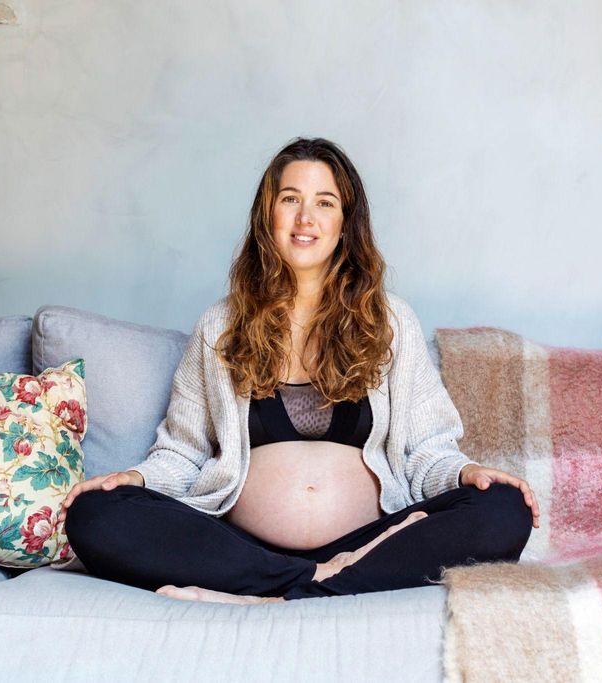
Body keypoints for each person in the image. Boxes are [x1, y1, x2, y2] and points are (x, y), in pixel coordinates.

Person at [58, 137, 539, 604]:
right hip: (240, 544)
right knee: (94, 514)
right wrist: (137, 481)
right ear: (267, 214)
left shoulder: (390, 322)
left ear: (346, 223)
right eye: (290, 198)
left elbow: (426, 450)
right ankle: (315, 581)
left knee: (503, 509)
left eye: (325, 203)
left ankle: (270, 593)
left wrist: (466, 472)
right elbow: (185, 453)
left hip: (373, 538)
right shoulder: (219, 326)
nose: (306, 218)